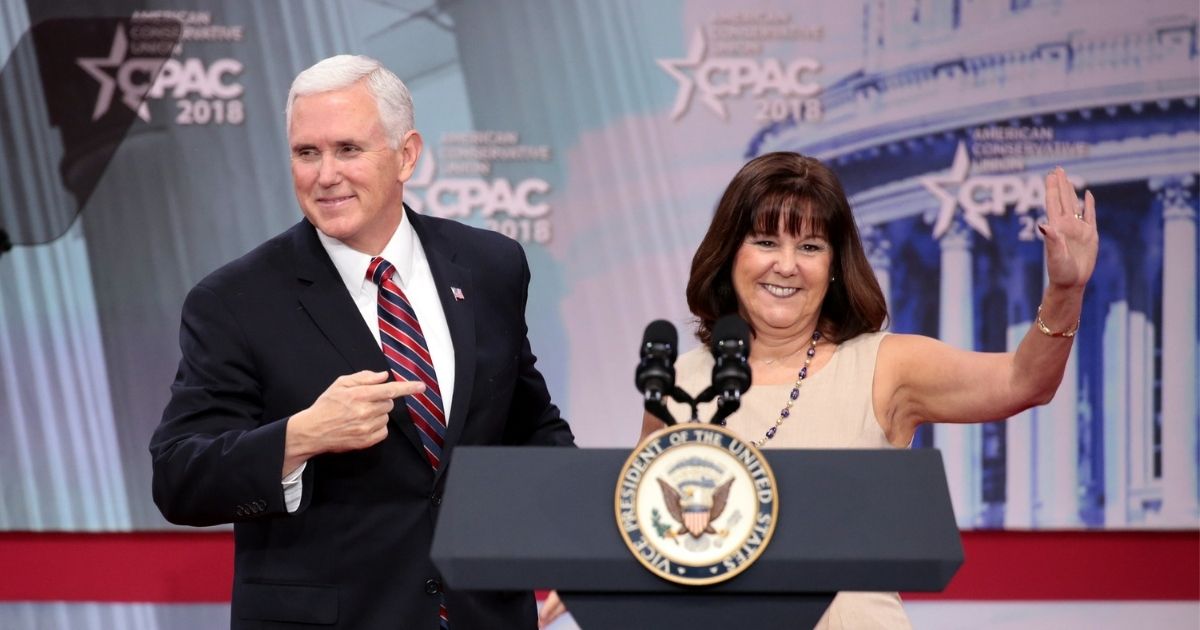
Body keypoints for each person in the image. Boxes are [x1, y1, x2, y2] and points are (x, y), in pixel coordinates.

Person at [149, 54, 574, 630]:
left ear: (407, 155)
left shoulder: (489, 265)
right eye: (307, 153)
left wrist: (583, 557)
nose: (325, 175)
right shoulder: (234, 300)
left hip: (485, 615)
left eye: (348, 149)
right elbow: (179, 478)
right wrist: (300, 437)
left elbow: (529, 427)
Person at [640, 152, 1097, 628]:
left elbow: (1026, 381)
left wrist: (1065, 292)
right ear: (731, 253)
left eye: (811, 247)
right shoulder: (680, 381)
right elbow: (648, 532)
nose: (787, 265)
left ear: (835, 264)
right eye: (766, 241)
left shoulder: (886, 364)